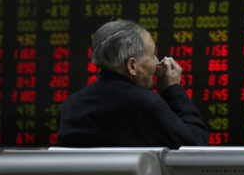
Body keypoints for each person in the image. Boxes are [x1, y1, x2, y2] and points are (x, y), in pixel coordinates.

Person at [57, 18, 209, 147]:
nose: (157, 62)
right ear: (132, 66)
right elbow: (197, 143)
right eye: (153, 54)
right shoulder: (147, 104)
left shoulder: (69, 107)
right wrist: (174, 89)